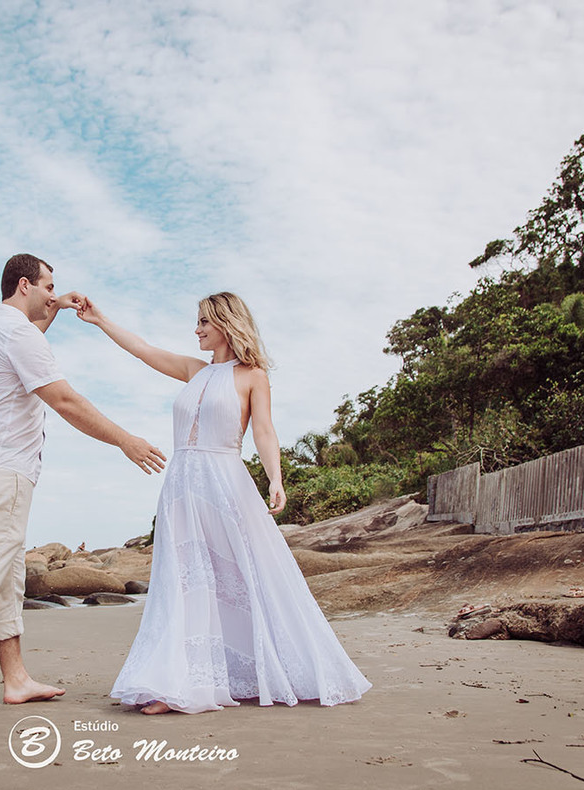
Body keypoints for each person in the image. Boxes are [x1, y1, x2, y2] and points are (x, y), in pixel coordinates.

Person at [0, 254, 166, 718]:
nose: (53, 293)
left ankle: (16, 679)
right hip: (4, 470)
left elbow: (28, 338)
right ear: (25, 285)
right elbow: (63, 399)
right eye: (48, 286)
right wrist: (126, 441)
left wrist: (54, 306)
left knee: (7, 577)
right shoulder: (18, 333)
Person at [77, 291, 371, 714]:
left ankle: (251, 672)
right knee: (183, 581)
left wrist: (275, 478)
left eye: (204, 322)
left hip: (225, 483)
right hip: (181, 486)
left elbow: (264, 431)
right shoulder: (193, 371)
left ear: (226, 324)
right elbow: (142, 350)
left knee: (247, 576)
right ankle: (178, 683)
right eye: (197, 321)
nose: (196, 329)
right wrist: (100, 320)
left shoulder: (253, 376)